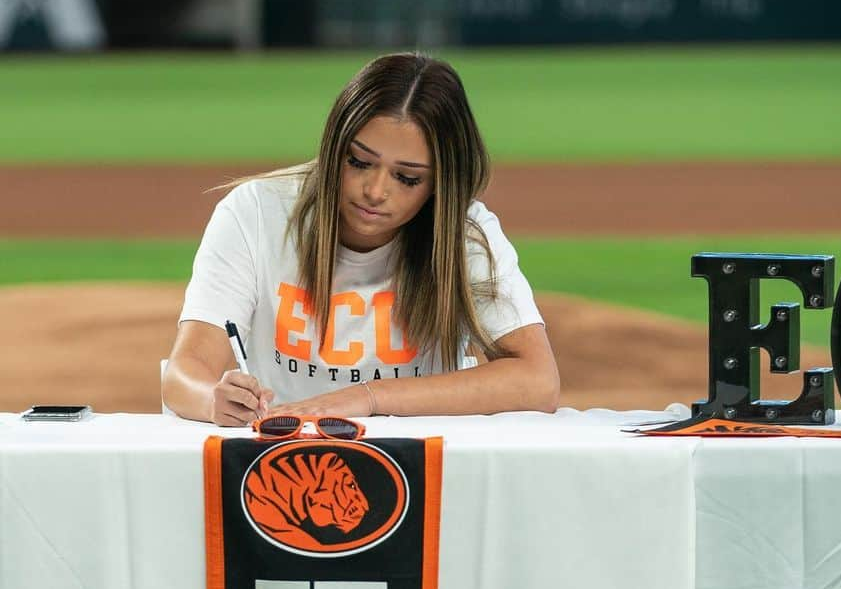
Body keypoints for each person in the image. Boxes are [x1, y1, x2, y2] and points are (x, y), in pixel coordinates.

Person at [162, 53, 559, 425]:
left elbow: (537, 381)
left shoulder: (463, 231)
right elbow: (185, 373)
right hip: (277, 457)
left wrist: (367, 398)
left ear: (440, 184)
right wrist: (212, 398)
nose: (375, 190)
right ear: (334, 147)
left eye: (407, 178)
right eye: (359, 161)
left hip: (421, 464)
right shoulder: (255, 212)